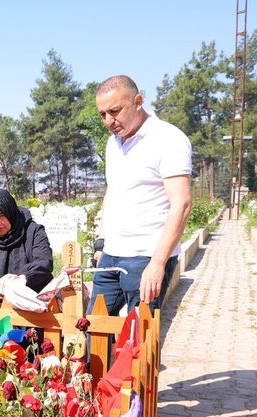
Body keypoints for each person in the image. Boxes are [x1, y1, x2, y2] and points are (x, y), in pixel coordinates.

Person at [89, 75, 192, 315]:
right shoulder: (112, 144)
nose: (109, 121)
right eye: (102, 114)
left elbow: (182, 204)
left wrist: (158, 263)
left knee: (139, 334)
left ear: (138, 101)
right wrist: (101, 243)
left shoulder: (168, 139)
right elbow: (113, 192)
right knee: (92, 327)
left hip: (146, 256)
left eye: (115, 111)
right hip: (111, 255)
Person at [0, 189, 54, 308]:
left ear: (10, 212)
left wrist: (20, 280)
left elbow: (44, 263)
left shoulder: (33, 231)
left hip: (28, 293)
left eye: (1, 216)